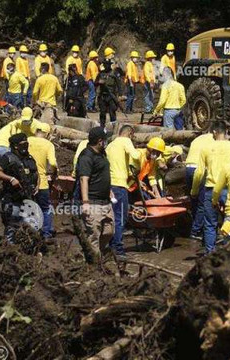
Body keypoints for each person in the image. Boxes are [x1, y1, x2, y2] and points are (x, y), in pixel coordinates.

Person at [192, 121, 230, 254]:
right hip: (229, 190)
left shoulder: (206, 148)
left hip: (210, 189)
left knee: (210, 224)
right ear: (226, 132)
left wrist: (194, 190)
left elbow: (199, 172)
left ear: (214, 132)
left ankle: (210, 253)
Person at [75, 126, 114, 266]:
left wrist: (109, 190)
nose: (106, 142)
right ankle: (94, 265)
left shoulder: (102, 154)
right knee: (94, 235)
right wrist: (85, 202)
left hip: (106, 201)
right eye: (105, 140)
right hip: (93, 202)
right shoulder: (86, 156)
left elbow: (103, 175)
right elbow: (83, 179)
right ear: (99, 141)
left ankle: (96, 255)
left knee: (109, 231)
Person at [0, 133, 39, 243]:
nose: (26, 146)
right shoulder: (8, 157)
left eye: (27, 143)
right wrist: (11, 179)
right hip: (13, 200)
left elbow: (35, 172)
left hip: (28, 199)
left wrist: (37, 185)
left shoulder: (29, 158)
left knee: (30, 227)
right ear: (16, 146)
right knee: (12, 228)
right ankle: (9, 251)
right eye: (23, 144)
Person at [105, 124, 141, 268]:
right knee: (121, 217)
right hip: (120, 185)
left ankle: (110, 244)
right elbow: (136, 155)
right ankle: (118, 249)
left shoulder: (110, 146)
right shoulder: (126, 141)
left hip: (110, 186)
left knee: (113, 217)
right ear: (130, 134)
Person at [0, 107, 41, 199]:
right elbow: (14, 142)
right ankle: (18, 187)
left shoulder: (17, 123)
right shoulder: (16, 125)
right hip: (4, 145)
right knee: (16, 166)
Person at [185, 128, 215, 241]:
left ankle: (195, 225)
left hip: (188, 169)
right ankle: (196, 230)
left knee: (194, 199)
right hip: (199, 170)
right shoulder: (214, 140)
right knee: (202, 203)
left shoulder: (197, 139)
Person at [28, 123, 57, 238]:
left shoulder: (28, 140)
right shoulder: (48, 145)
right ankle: (46, 233)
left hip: (28, 181)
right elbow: (53, 163)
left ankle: (30, 233)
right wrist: (55, 172)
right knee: (46, 208)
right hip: (42, 183)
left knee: (29, 208)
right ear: (47, 134)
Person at [96, 59, 122, 128]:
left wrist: (120, 95)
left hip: (111, 96)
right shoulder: (101, 73)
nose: (106, 66)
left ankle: (114, 127)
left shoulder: (114, 73)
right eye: (105, 65)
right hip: (102, 95)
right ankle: (102, 127)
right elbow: (95, 83)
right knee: (102, 112)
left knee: (112, 112)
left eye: (107, 64)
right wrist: (99, 82)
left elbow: (119, 84)